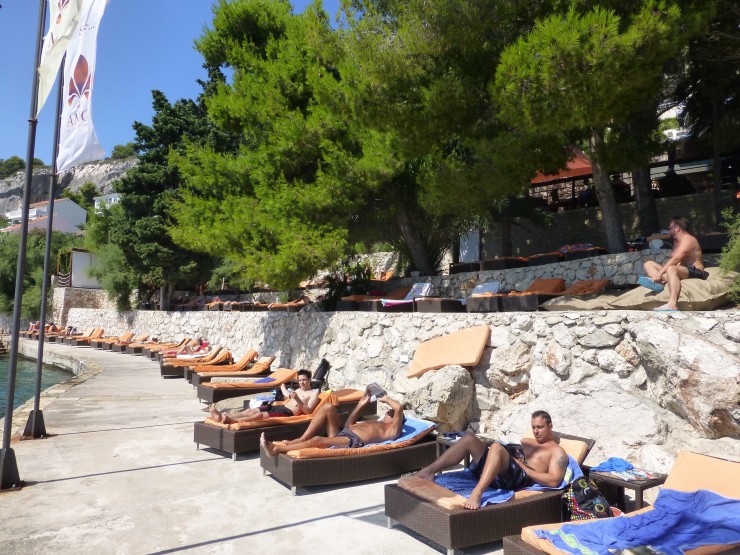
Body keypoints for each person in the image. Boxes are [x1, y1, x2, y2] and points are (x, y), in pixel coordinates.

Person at [414, 410, 569, 510]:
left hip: (519, 479)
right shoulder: (528, 441)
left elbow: (554, 481)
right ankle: (429, 471)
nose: (536, 431)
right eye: (534, 427)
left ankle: (477, 493)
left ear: (550, 426)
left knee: (497, 447)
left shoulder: (557, 452)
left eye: (540, 427)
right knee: (469, 438)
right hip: (505, 471)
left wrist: (525, 467)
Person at [261, 391, 404, 455]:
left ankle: (275, 450)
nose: (386, 414)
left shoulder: (392, 430)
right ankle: (302, 438)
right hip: (344, 432)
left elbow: (399, 408)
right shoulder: (376, 422)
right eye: (386, 413)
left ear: (395, 420)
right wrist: (361, 405)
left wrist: (386, 399)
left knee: (318, 440)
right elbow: (349, 425)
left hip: (352, 440)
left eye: (389, 414)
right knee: (328, 407)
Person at [640, 216, 708, 312]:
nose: (668, 231)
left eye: (669, 228)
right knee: (648, 264)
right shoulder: (677, 242)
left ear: (677, 228)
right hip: (679, 271)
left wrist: (659, 273)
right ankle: (659, 285)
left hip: (694, 271)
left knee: (671, 268)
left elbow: (676, 259)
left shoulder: (689, 240)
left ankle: (672, 304)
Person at [209, 369, 319, 423]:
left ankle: (230, 420)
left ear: (309, 380)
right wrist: (283, 388)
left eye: (304, 380)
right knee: (250, 411)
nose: (302, 382)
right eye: (300, 380)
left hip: (287, 412)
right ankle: (223, 416)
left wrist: (297, 399)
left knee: (259, 416)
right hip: (278, 406)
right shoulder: (298, 390)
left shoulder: (313, 393)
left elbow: (308, 411)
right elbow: (287, 396)